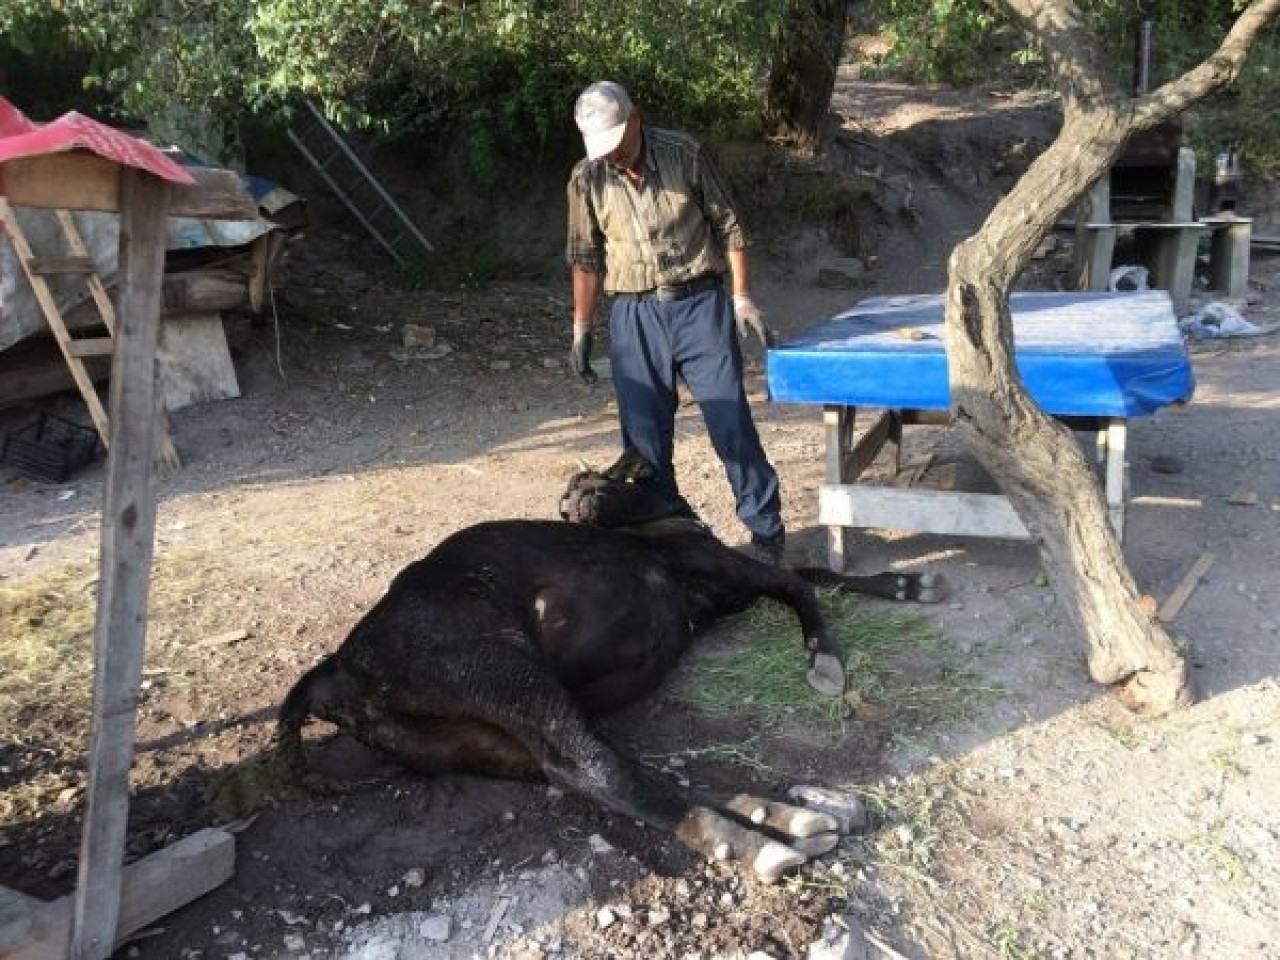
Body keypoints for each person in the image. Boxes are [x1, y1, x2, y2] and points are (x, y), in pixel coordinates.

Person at [564, 80, 785, 565]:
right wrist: (582, 329)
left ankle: (766, 534)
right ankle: (668, 536)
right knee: (643, 440)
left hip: (698, 304)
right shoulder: (587, 177)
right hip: (634, 315)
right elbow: (585, 258)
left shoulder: (683, 153)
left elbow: (731, 226)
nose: (613, 156)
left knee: (730, 421)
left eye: (618, 144)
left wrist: (742, 298)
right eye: (602, 149)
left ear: (635, 120)